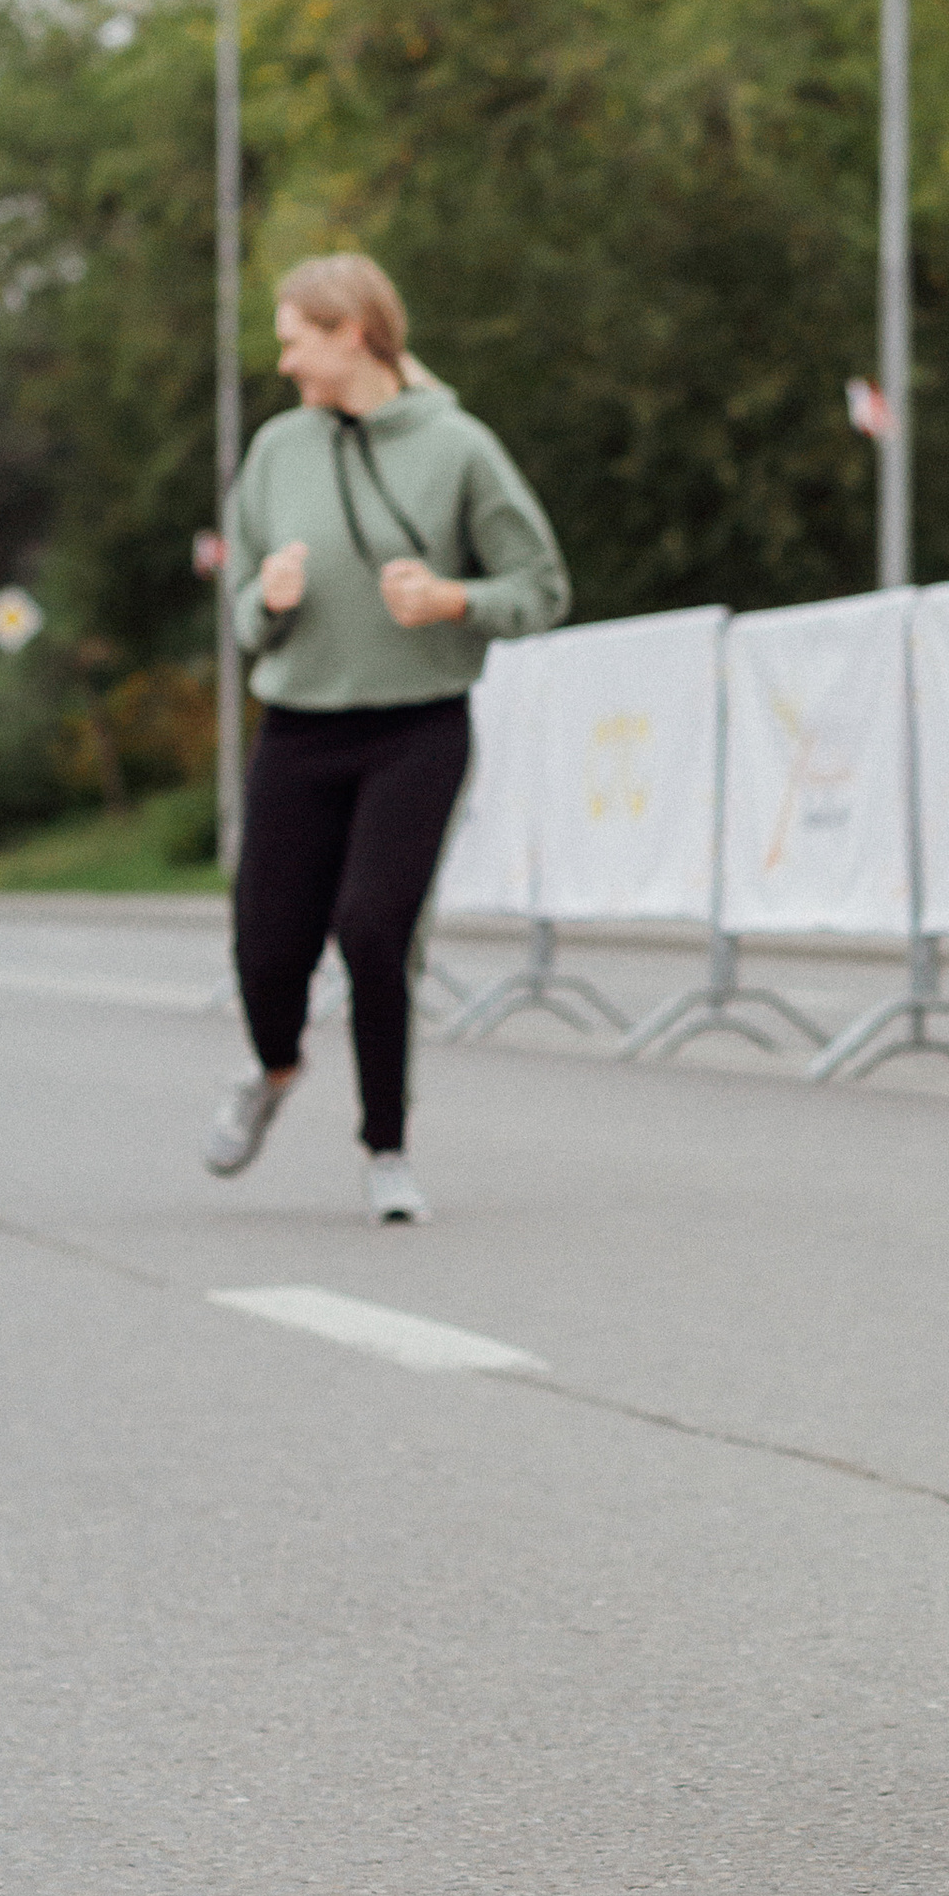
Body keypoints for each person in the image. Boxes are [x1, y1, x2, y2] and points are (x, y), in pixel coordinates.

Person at [204, 254, 569, 1219]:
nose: (284, 364)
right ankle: (275, 1070)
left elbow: (541, 588)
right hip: (297, 729)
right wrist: (264, 603)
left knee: (374, 929)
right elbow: (241, 609)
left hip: (416, 729)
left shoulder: (459, 447)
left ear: (351, 334)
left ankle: (386, 1148)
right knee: (266, 951)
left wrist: (455, 597)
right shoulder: (279, 450)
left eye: (294, 341)